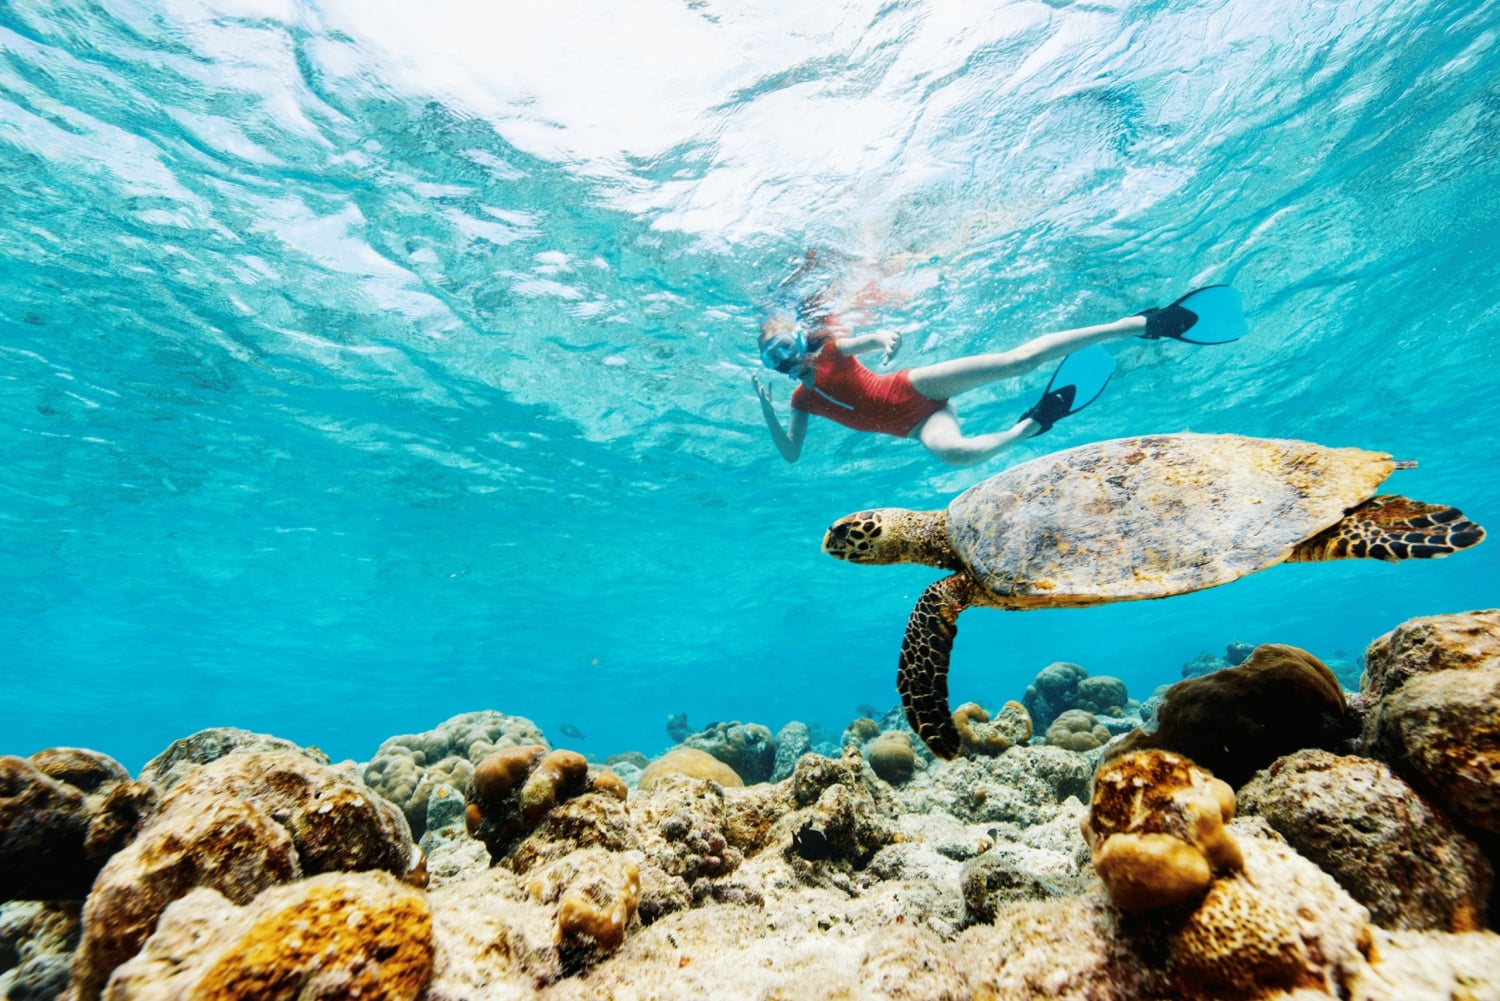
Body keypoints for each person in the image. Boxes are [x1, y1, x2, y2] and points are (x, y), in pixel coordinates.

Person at [752, 279, 1245, 466]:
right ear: (770, 368)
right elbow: (791, 455)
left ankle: (1142, 323)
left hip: (917, 385)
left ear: (797, 338)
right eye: (773, 357)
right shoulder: (799, 403)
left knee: (1020, 360)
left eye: (784, 346)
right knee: (957, 456)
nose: (784, 358)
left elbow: (872, 340)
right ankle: (1034, 422)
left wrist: (885, 340)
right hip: (918, 425)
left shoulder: (834, 351)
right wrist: (767, 411)